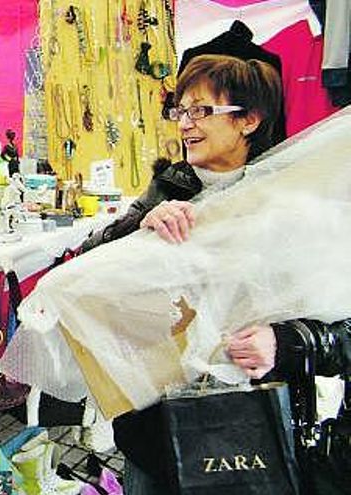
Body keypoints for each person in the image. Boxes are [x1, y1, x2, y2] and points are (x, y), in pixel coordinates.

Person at [75, 54, 351, 493]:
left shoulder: (293, 205)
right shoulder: (168, 191)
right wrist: (136, 229)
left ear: (249, 120)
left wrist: (284, 342)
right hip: (156, 429)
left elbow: (343, 328)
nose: (185, 123)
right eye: (180, 110)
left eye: (202, 110)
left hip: (253, 425)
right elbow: (83, 270)